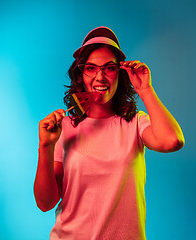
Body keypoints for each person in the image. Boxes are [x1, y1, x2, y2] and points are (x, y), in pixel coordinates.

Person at [34, 26, 184, 239]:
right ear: (81, 75)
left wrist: (145, 90)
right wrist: (45, 147)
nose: (100, 77)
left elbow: (172, 141)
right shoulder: (64, 129)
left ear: (120, 74)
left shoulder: (135, 123)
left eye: (109, 68)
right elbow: (45, 203)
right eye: (91, 68)